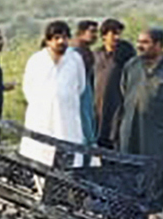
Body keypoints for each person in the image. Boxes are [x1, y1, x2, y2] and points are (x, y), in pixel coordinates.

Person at [118, 26, 163, 219]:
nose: (140, 46)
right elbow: (124, 90)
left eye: (145, 42)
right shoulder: (131, 65)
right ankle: (132, 207)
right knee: (130, 166)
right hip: (131, 125)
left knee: (157, 168)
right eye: (139, 42)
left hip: (160, 128)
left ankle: (153, 209)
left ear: (159, 45)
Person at [19, 20, 87, 166]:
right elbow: (28, 89)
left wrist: (63, 99)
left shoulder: (75, 59)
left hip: (67, 120)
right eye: (57, 38)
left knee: (70, 163)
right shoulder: (36, 60)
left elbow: (81, 87)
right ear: (48, 40)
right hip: (42, 120)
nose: (61, 41)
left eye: (65, 37)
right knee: (39, 158)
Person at [91, 18, 134, 149]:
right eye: (113, 34)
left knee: (116, 141)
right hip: (98, 107)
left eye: (119, 34)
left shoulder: (125, 54)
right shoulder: (96, 55)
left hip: (118, 106)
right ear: (104, 35)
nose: (117, 37)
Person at [73, 20, 99, 146]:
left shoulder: (86, 51)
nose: (95, 36)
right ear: (81, 33)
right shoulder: (74, 53)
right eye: (92, 32)